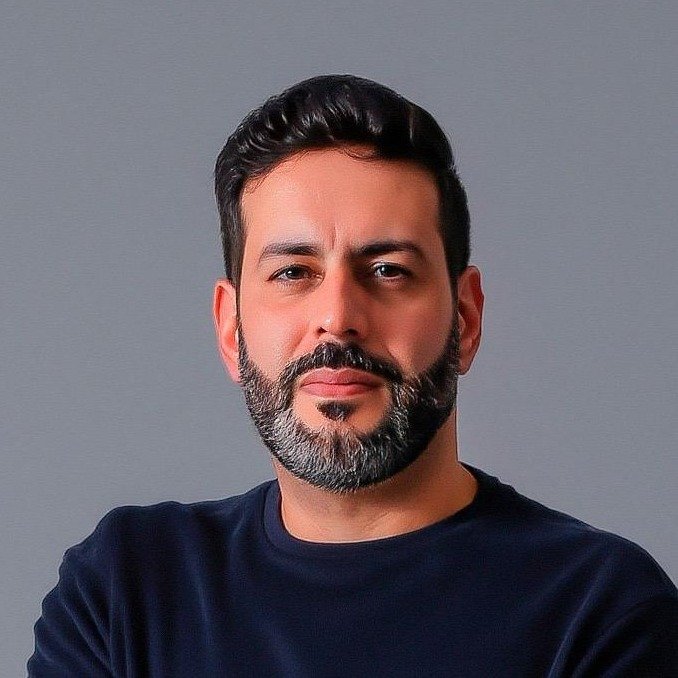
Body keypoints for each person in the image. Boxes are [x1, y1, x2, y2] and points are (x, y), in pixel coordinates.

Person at [29, 74, 678, 677]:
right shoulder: (124, 594)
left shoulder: (600, 609)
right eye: (293, 273)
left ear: (466, 319)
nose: (338, 319)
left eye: (389, 270)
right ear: (231, 329)